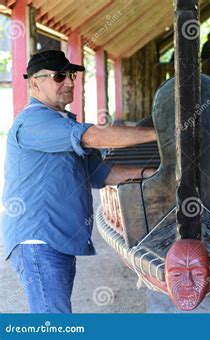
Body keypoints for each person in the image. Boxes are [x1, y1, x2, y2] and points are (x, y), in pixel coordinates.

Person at [2, 50, 158, 313]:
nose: (70, 82)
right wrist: (161, 133)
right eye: (59, 76)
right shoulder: (33, 122)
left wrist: (152, 173)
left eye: (71, 75)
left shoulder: (62, 123)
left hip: (57, 240)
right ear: (35, 83)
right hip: (38, 242)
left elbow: (101, 173)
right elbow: (93, 137)